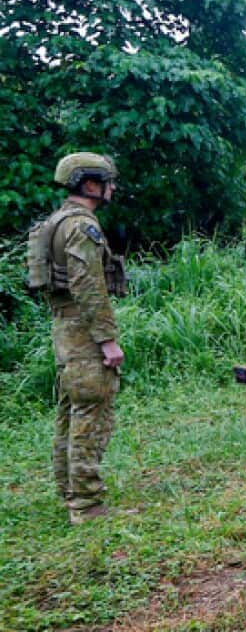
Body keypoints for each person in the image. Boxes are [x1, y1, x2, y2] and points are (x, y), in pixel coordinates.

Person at [28, 152, 126, 525]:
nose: (112, 188)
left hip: (64, 328)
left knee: (71, 413)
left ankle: (69, 491)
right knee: (91, 414)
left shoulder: (56, 222)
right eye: (107, 181)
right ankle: (86, 503)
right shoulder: (82, 226)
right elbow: (88, 286)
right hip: (83, 332)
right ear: (89, 184)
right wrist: (107, 340)